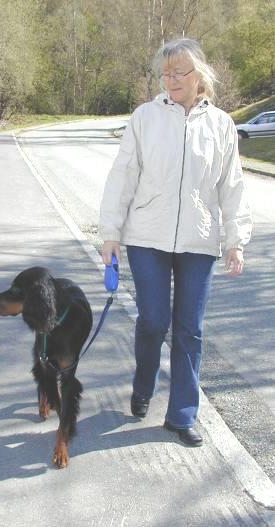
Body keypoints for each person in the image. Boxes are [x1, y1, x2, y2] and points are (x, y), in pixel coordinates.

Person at [99, 38, 252, 447]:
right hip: (147, 236)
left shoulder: (221, 125)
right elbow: (123, 176)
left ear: (199, 74)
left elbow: (231, 187)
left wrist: (236, 240)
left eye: (178, 72)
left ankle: (182, 415)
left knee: (190, 329)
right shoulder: (145, 117)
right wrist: (110, 233)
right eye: (164, 74)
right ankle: (144, 383)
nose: (169, 81)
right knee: (153, 320)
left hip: (199, 241)